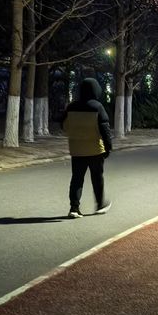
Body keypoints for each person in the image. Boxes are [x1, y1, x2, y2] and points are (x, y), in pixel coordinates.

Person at [61, 77, 113, 218]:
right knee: (97, 177)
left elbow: (63, 125)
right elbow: (105, 130)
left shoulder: (71, 107)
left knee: (77, 179)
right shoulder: (97, 107)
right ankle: (100, 204)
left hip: (76, 149)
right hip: (95, 149)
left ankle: (74, 208)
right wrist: (108, 147)